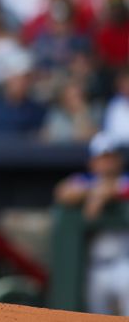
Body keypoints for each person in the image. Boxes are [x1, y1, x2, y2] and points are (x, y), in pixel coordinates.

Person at [54, 132, 129, 316]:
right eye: (102, 158)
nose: (107, 163)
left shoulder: (124, 180)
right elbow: (62, 192)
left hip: (124, 265)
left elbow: (123, 188)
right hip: (95, 267)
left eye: (111, 157)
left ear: (119, 160)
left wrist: (108, 192)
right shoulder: (86, 181)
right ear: (93, 162)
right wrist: (93, 193)